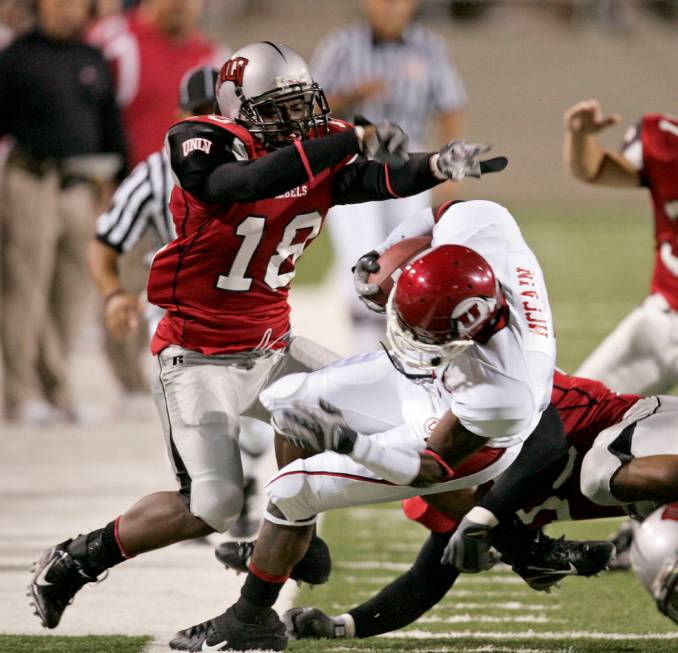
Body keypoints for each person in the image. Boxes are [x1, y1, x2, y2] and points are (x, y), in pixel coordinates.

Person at [28, 42, 499, 642]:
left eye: (304, 106)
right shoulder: (199, 141)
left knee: (392, 406)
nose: (299, 121)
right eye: (281, 109)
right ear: (240, 109)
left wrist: (439, 165)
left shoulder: (317, 144)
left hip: (275, 345)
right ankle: (77, 559)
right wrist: (348, 138)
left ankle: (480, 524)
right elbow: (242, 182)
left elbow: (375, 177)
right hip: (198, 357)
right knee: (212, 506)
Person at [167, 197, 568, 652]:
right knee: (290, 399)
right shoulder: (481, 228)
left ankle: (250, 620)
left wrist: (349, 442)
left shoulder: (505, 390)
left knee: (291, 488)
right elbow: (448, 208)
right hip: (442, 374)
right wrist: (384, 252)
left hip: (468, 437)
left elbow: (428, 470)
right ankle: (305, 548)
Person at [282, 369, 678, 640]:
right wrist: (343, 626)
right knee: (662, 554)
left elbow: (548, 441)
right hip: (649, 487)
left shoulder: (485, 413)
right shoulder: (453, 498)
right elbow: (424, 581)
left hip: (647, 429)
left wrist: (487, 516)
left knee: (597, 476)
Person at [90, 64, 271, 537]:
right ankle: (213, 498)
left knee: (282, 409)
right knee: (208, 431)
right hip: (184, 321)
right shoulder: (156, 172)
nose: (209, 124)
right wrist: (113, 294)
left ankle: (256, 502)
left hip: (252, 315)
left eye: (217, 112)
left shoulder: (266, 163)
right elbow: (105, 241)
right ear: (180, 116)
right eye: (199, 114)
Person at [87, 0, 226, 414]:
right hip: (135, 183)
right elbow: (85, 110)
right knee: (139, 285)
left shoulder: (216, 55)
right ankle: (131, 380)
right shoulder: (116, 43)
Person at [311, 0, 467, 352]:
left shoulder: (430, 48)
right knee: (363, 257)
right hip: (352, 170)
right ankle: (365, 353)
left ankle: (402, 351)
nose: (391, 8)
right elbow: (309, 107)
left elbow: (450, 106)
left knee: (409, 257)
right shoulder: (341, 47)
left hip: (409, 171)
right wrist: (352, 95)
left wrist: (451, 165)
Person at [0, 0, 126, 423]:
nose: (74, 9)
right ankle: (22, 392)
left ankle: (59, 389)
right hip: (30, 182)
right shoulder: (16, 57)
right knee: (25, 292)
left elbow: (110, 127)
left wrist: (117, 187)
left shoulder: (91, 58)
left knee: (71, 295)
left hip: (80, 188)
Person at [563, 99, 678, 564]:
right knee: (571, 421)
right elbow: (594, 169)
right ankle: (642, 520)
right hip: (664, 319)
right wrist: (578, 135)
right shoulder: (664, 139)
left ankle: (656, 528)